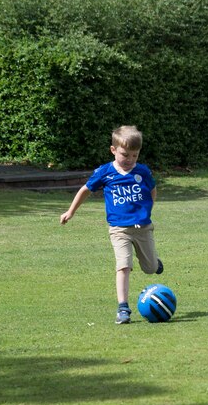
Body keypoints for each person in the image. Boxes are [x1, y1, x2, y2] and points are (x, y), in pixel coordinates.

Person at [60, 125, 163, 324]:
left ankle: (155, 262)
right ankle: (123, 308)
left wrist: (148, 209)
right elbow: (85, 190)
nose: (130, 160)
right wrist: (70, 212)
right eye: (126, 155)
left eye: (135, 155)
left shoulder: (142, 171)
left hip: (143, 228)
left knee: (150, 269)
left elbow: (152, 190)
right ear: (113, 150)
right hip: (119, 230)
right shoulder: (105, 172)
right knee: (123, 266)